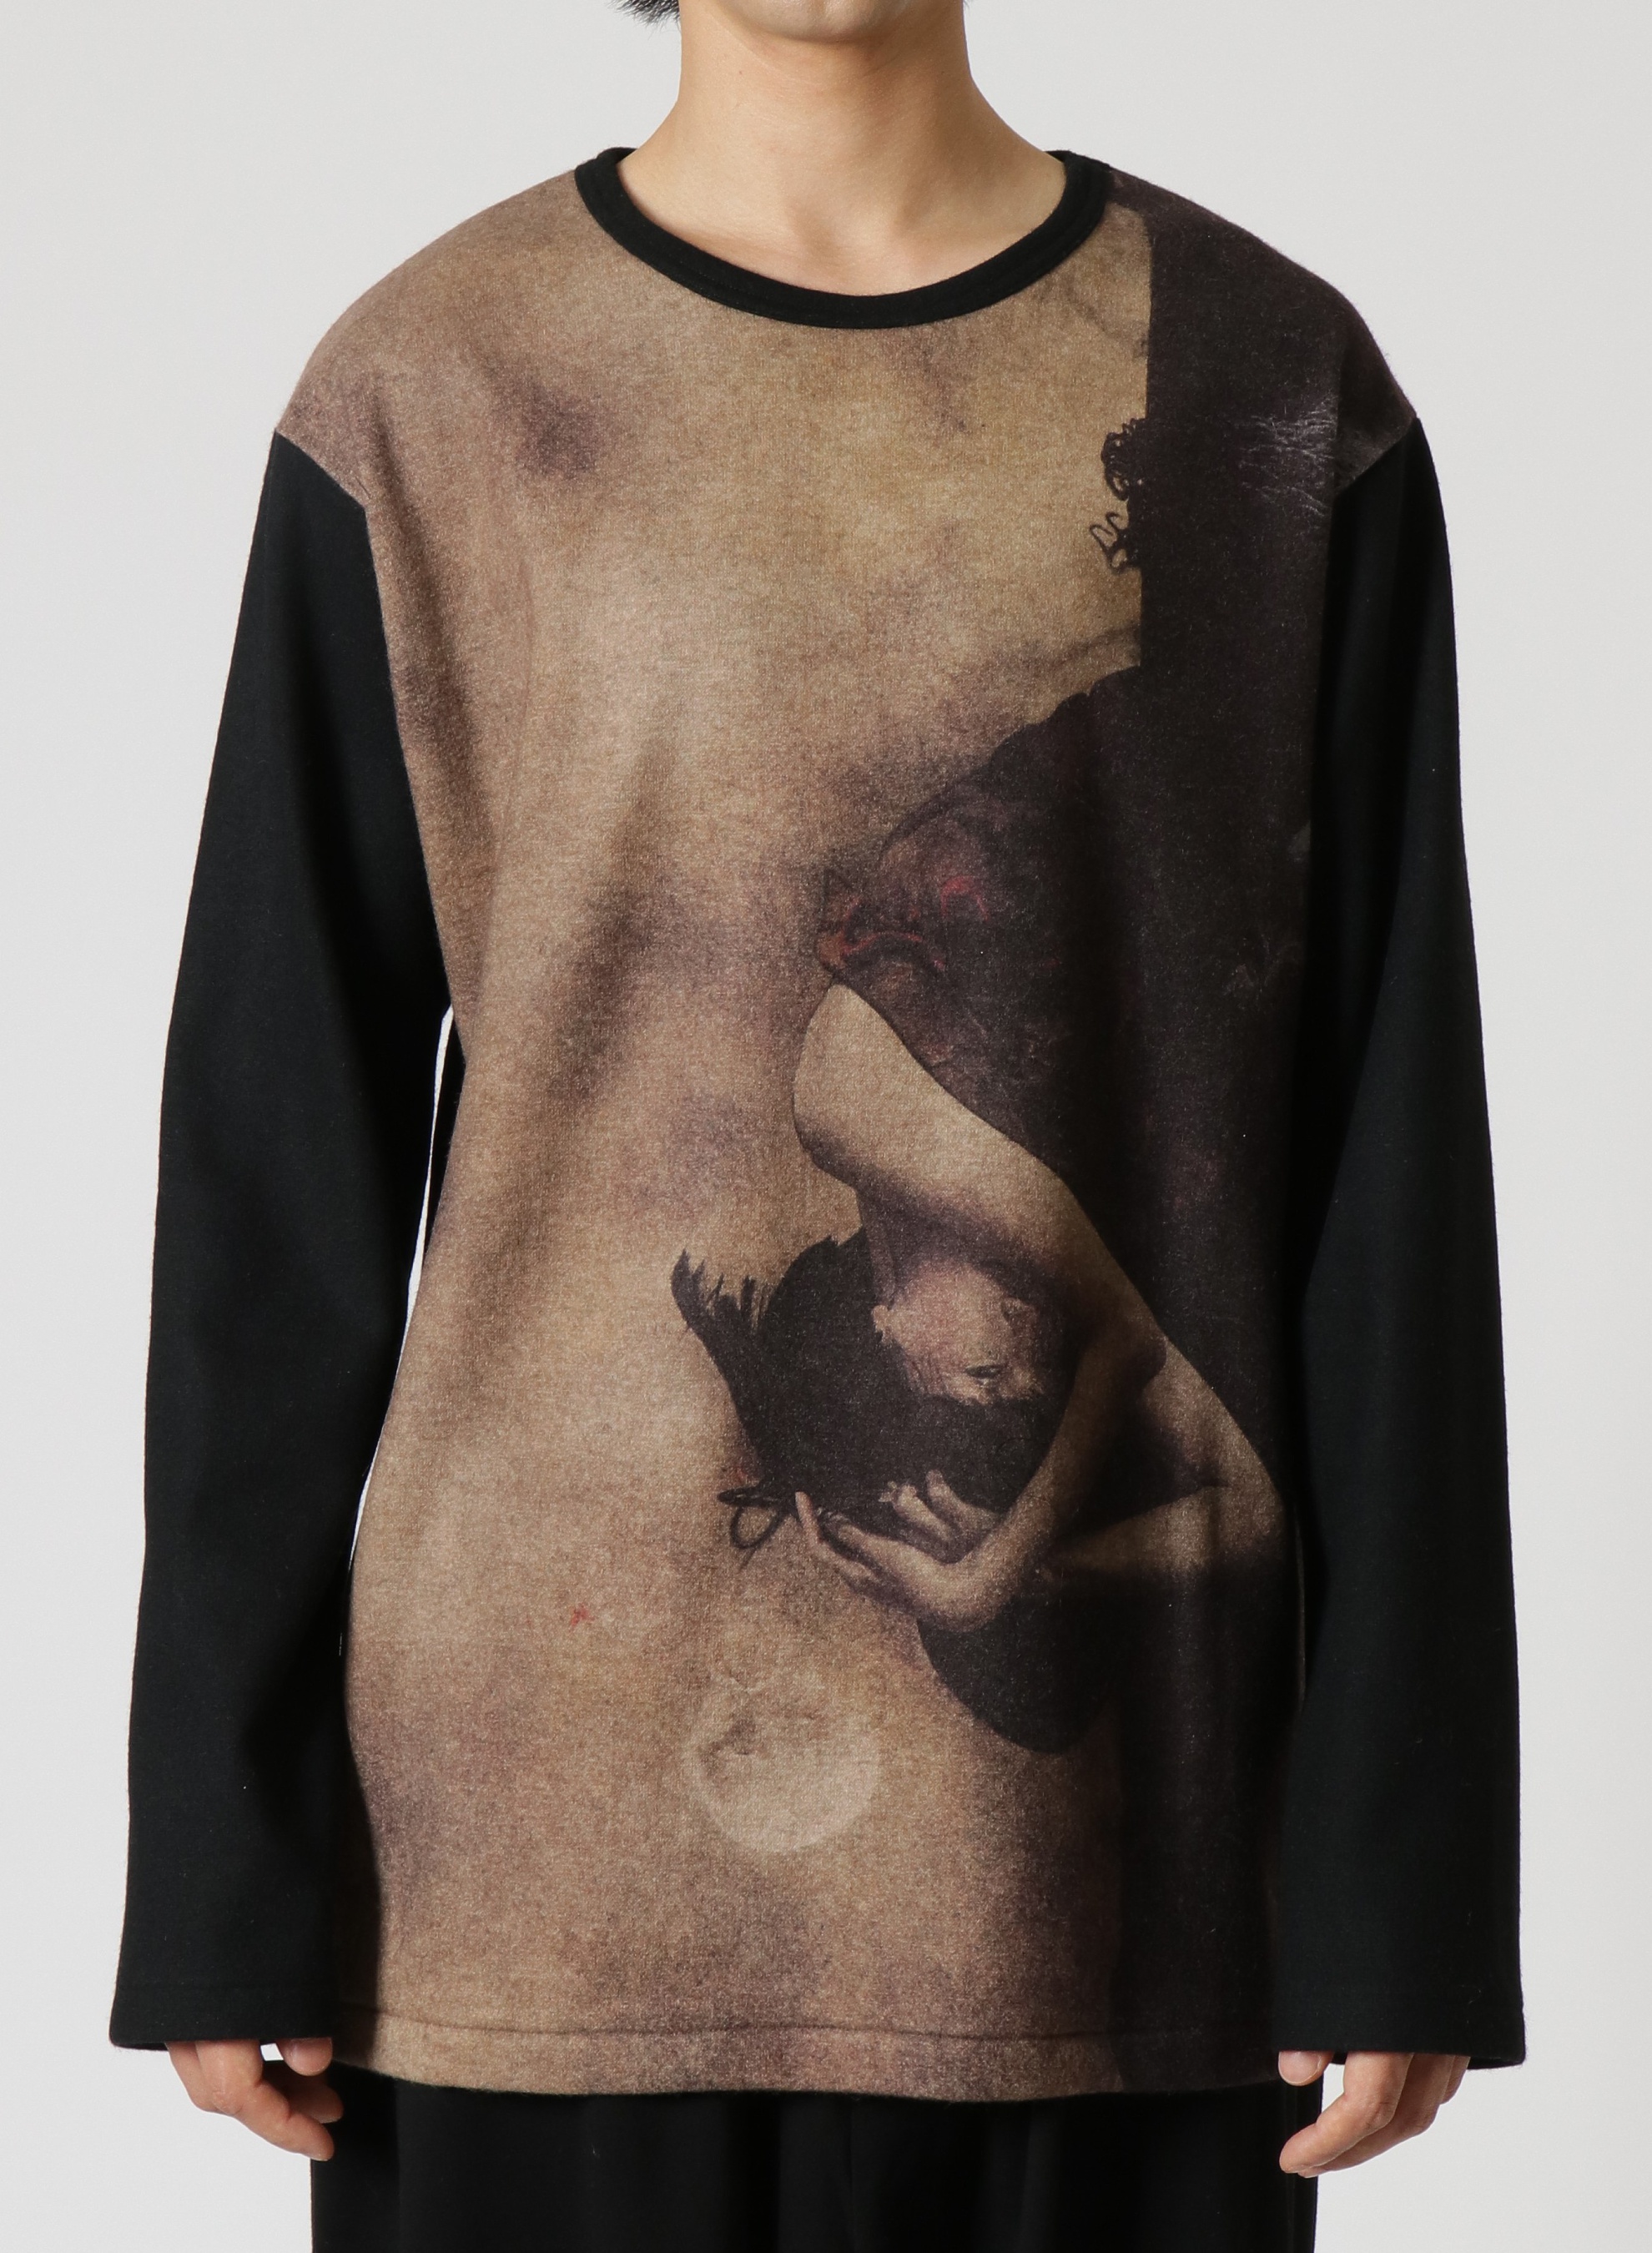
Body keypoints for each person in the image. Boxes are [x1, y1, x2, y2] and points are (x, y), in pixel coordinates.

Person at [113, 2, 1524, 2248]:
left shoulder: (1273, 383)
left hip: (1115, 1915)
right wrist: (224, 1848)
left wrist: (1401, 1873)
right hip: (525, 1892)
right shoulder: (437, 382)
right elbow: (278, 1159)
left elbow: (1386, 1153)